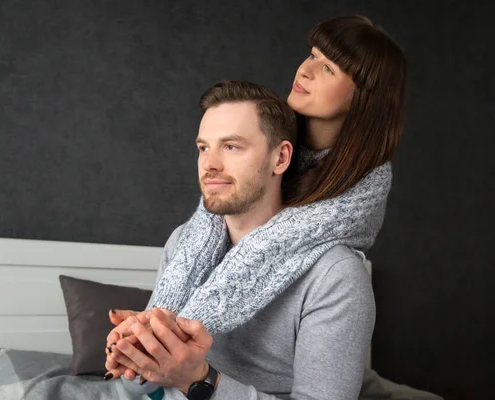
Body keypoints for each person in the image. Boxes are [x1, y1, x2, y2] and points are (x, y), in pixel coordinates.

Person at [106, 14, 406, 400]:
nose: (305, 69)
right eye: (311, 55)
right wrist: (141, 347)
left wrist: (198, 379)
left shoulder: (336, 267)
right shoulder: (189, 241)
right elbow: (138, 385)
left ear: (280, 159)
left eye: (327, 67)